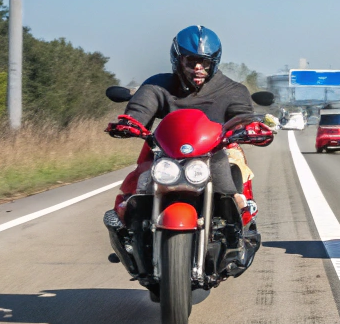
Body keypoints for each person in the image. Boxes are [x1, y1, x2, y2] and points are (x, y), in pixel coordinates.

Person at [108, 25, 258, 207]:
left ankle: (239, 213)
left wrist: (249, 129)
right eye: (191, 61)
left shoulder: (233, 90)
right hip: (165, 151)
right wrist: (129, 122)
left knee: (237, 183)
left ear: (214, 62)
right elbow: (141, 108)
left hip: (219, 149)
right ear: (177, 60)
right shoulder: (157, 86)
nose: (198, 68)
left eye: (205, 62)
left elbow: (242, 118)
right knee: (134, 194)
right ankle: (130, 220)